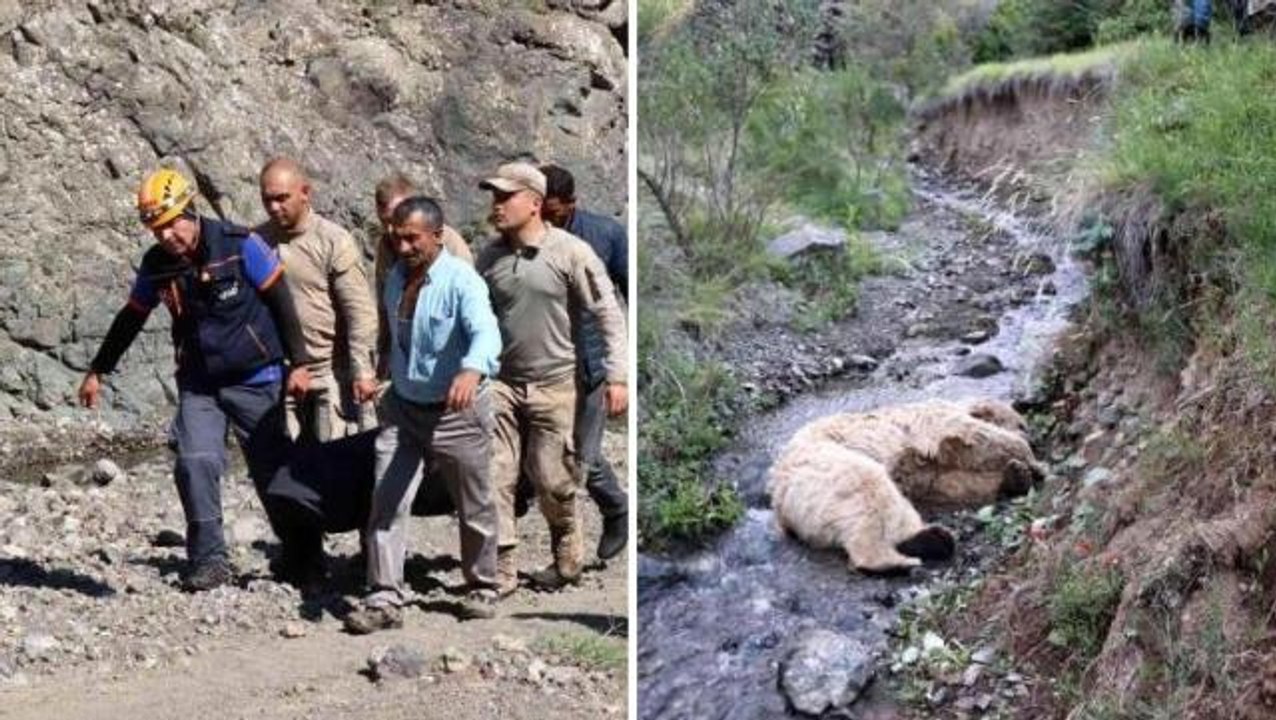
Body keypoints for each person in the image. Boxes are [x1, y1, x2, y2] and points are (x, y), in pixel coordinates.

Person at [78, 168, 310, 591]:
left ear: (190, 210)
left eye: (171, 224)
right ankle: (209, 561)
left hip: (256, 377)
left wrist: (300, 364)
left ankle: (303, 555)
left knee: (274, 469)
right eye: (155, 228)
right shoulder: (157, 265)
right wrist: (99, 369)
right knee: (194, 462)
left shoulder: (241, 246)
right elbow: (132, 316)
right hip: (199, 383)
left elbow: (281, 301)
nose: (166, 235)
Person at [344, 196, 503, 632]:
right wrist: (379, 372)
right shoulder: (395, 277)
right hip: (402, 409)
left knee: (473, 503)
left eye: (413, 238)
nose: (404, 246)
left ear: (437, 235)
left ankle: (483, 585)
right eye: (397, 238)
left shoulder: (461, 281)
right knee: (387, 498)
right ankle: (384, 596)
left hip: (458, 412)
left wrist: (472, 368)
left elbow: (486, 332)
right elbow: (394, 333)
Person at [475, 163, 628, 594]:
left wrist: (618, 376)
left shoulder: (572, 253)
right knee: (496, 474)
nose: (497, 205)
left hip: (558, 383)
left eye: (506, 197)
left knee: (552, 478)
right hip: (503, 382)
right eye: (494, 197)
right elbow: (472, 319)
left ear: (534, 203)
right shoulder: (489, 258)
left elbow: (609, 316)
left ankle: (567, 556)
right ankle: (500, 570)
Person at [539, 163, 629, 560]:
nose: (546, 217)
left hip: (592, 365)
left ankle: (616, 508)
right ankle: (562, 552)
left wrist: (620, 373)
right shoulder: (526, 238)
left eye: (554, 210)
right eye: (541, 208)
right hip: (545, 365)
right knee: (547, 457)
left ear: (571, 204)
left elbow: (627, 298)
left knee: (581, 459)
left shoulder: (606, 235)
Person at [256, 157, 378, 443]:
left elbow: (360, 313)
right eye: (267, 200)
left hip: (329, 375)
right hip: (281, 376)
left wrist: (362, 372)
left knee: (334, 468)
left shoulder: (333, 241)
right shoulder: (256, 241)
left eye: (282, 198)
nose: (274, 207)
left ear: (305, 193)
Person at [372, 174, 475, 383]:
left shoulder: (451, 246)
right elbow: (385, 305)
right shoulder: (386, 245)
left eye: (395, 219)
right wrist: (384, 353)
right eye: (385, 223)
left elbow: (470, 312)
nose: (391, 230)